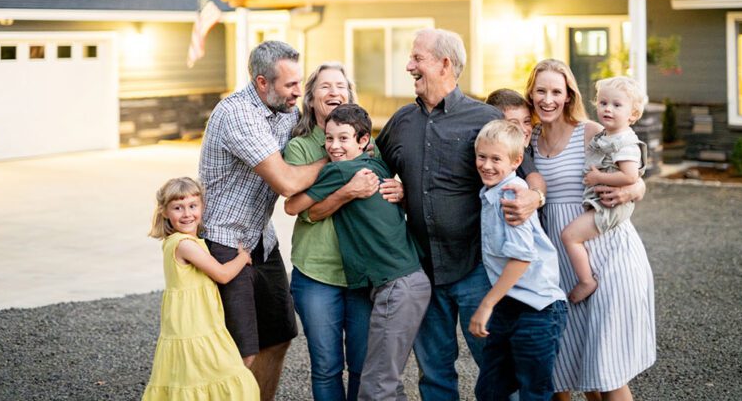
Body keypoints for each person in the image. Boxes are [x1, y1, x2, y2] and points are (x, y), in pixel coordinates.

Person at [377, 28, 544, 401]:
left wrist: (535, 196)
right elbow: (374, 167)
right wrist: (396, 189)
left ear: (445, 64)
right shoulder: (402, 121)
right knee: (434, 374)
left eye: (417, 58)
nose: (409, 66)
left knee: (497, 369)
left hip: (476, 270)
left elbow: (528, 169)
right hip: (422, 270)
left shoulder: (483, 118)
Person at [198, 40, 325, 401]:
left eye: (300, 83)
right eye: (290, 86)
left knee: (279, 336)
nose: (298, 93)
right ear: (261, 83)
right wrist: (334, 162)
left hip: (260, 239)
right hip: (224, 240)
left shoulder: (284, 111)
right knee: (241, 350)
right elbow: (286, 181)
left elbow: (319, 125)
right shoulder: (237, 113)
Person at [526, 59, 655, 401]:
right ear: (532, 94)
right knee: (568, 364)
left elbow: (633, 172)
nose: (548, 99)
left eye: (557, 91)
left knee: (607, 369)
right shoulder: (530, 139)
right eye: (541, 91)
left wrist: (635, 189)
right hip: (559, 261)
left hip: (607, 253)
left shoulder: (590, 131)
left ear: (569, 95)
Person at [285, 104, 431, 401]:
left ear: (364, 140)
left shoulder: (339, 170)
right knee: (386, 381)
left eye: (343, 139)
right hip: (412, 281)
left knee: (376, 388)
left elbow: (292, 206)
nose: (334, 146)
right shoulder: (376, 164)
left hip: (395, 287)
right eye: (329, 139)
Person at [469, 120, 568, 401]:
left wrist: (486, 304)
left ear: (516, 161)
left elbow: (521, 258)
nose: (487, 165)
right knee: (490, 390)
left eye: (496, 159)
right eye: (482, 157)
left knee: (533, 392)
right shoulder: (491, 191)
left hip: (538, 310)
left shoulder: (512, 195)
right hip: (509, 307)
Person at [142, 177, 260, 401]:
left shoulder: (185, 241)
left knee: (196, 377)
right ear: (165, 212)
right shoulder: (184, 244)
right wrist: (243, 257)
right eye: (178, 208)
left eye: (192, 206)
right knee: (223, 373)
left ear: (202, 207)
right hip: (193, 325)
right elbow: (222, 275)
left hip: (198, 322)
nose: (187, 214)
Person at [561, 76, 648, 303]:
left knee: (570, 236)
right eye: (603, 103)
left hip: (608, 207)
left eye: (617, 105)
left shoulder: (625, 142)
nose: (607, 109)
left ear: (633, 115)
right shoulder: (607, 135)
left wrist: (599, 177)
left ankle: (587, 280)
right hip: (601, 204)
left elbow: (631, 175)